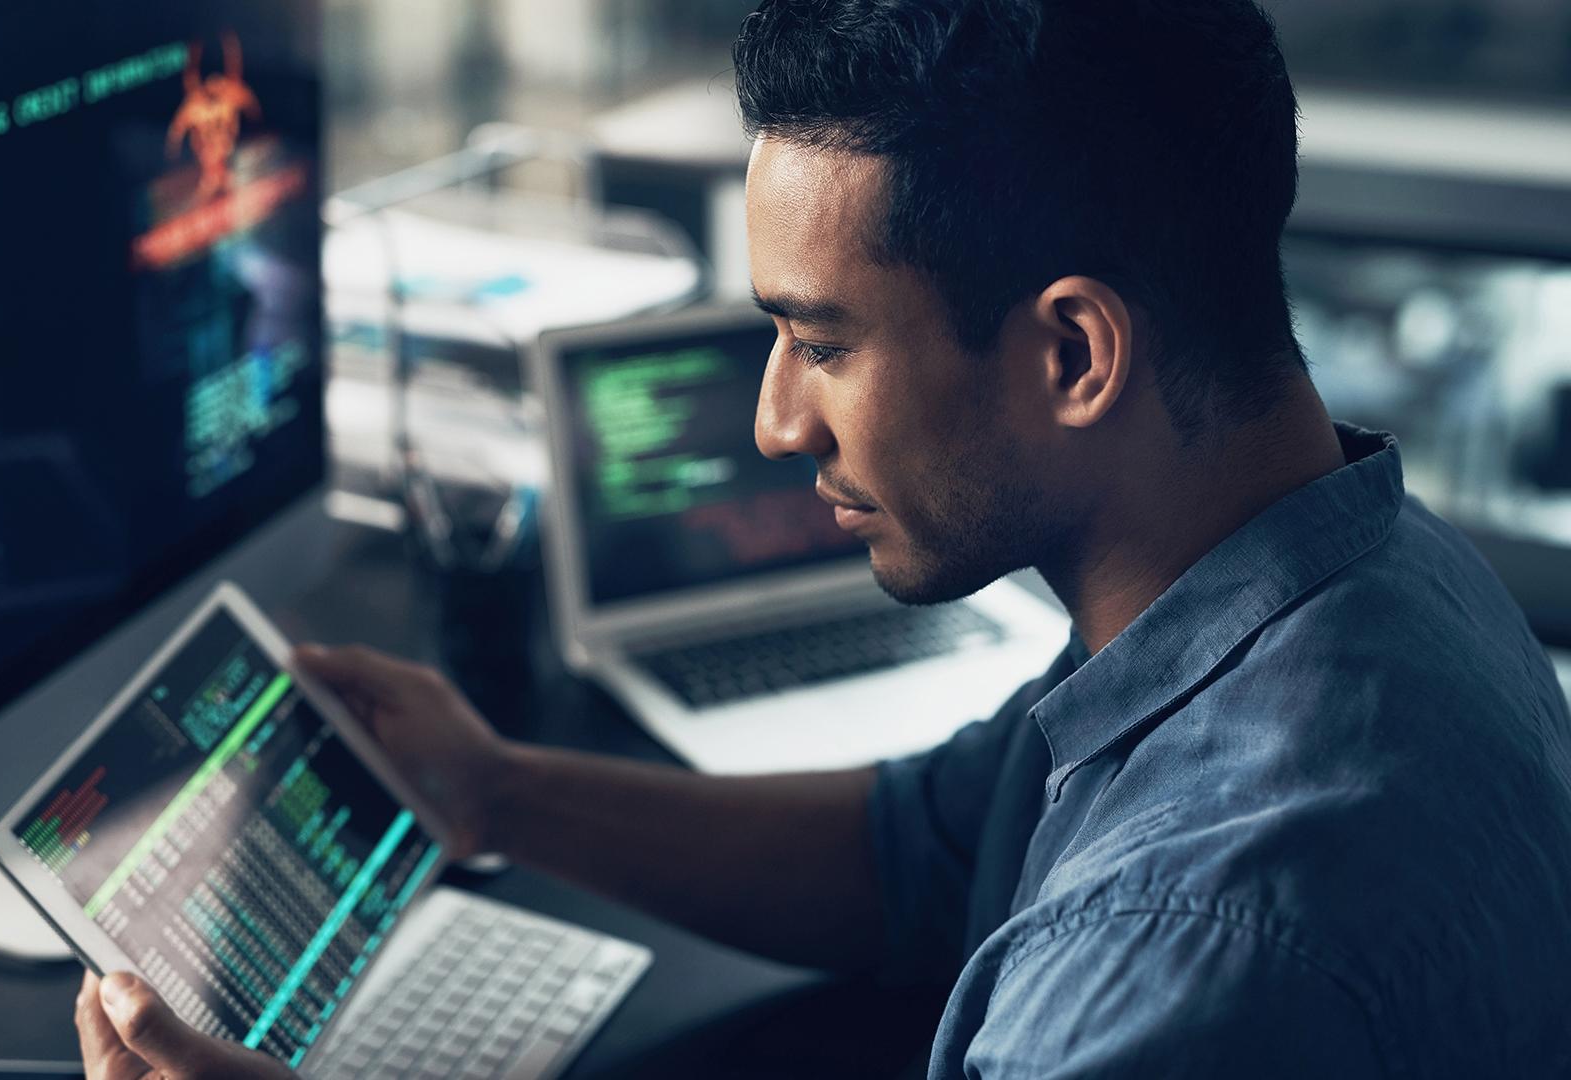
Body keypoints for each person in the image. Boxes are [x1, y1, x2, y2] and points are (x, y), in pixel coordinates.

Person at [76, 0, 1571, 1076]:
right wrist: (493, 791)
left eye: (823, 341)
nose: (777, 422)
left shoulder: (1187, 959)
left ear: (1072, 356)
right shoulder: (1359, 569)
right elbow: (923, 857)